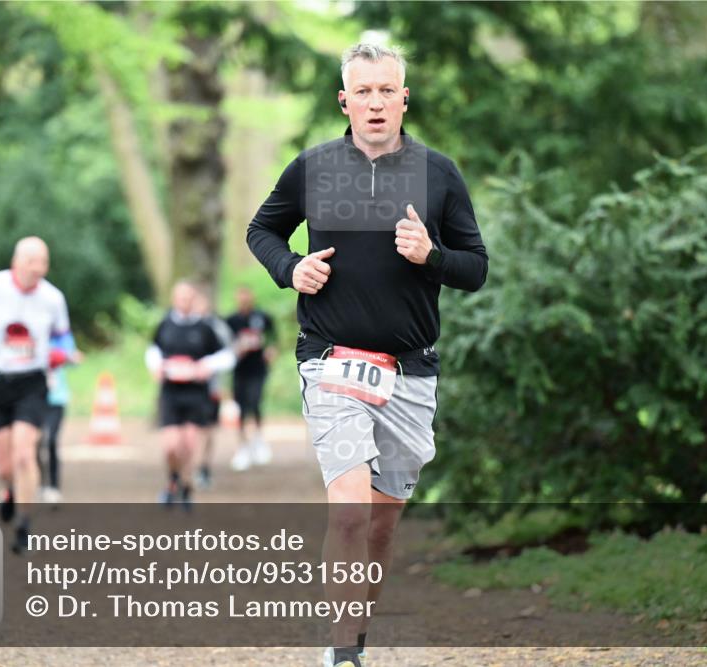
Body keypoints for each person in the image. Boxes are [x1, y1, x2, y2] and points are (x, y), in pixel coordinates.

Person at [247, 43, 488, 667]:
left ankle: (353, 627)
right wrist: (289, 267)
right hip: (331, 360)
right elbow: (262, 230)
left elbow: (476, 268)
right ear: (344, 100)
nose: (375, 102)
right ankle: (342, 652)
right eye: (364, 91)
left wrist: (431, 256)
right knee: (351, 510)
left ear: (404, 97)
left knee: (380, 526)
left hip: (410, 368)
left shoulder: (439, 173)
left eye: (387, 90)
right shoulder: (314, 167)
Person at [0, 236, 76, 552]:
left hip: (32, 383)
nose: (39, 268)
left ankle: (24, 522)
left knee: (25, 453)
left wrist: (60, 354)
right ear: (16, 262)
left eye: (44, 262)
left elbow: (63, 339)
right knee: (5, 464)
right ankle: (9, 488)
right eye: (33, 261)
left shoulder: (53, 298)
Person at [146, 281, 234, 507]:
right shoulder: (165, 324)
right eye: (180, 297)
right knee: (170, 446)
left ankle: (185, 486)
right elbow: (153, 350)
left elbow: (226, 356)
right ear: (174, 299)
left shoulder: (205, 328)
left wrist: (206, 366)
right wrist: (156, 366)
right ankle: (173, 479)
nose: (183, 302)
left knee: (189, 443)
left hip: (196, 393)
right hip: (171, 392)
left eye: (188, 297)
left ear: (193, 299)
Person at [226, 285, 277, 471]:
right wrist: (236, 349)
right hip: (239, 370)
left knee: (255, 402)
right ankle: (242, 447)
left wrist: (272, 350)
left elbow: (273, 338)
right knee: (240, 407)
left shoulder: (262, 317)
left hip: (258, 369)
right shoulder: (231, 320)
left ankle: (258, 440)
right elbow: (224, 343)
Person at [192, 287, 235, 489]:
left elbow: (229, 355)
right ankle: (189, 468)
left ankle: (203, 467)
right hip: (182, 389)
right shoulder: (179, 325)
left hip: (210, 388)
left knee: (206, 429)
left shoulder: (217, 328)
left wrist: (210, 370)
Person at [38, 344, 83, 504]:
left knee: (51, 440)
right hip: (35, 400)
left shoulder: (59, 338)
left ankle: (54, 487)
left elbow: (76, 358)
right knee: (36, 443)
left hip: (56, 400)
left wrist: (66, 357)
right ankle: (40, 485)